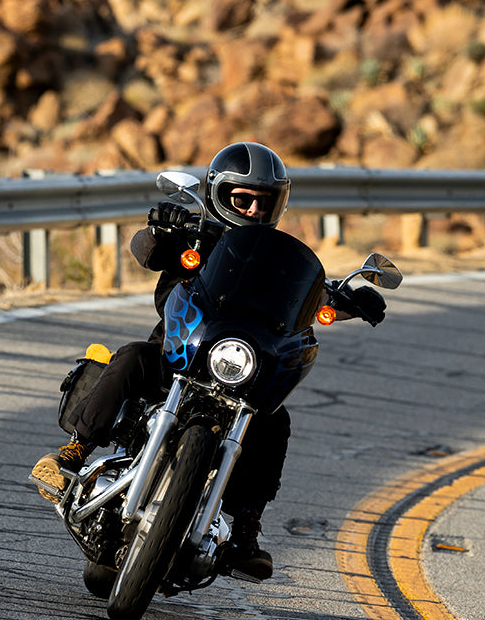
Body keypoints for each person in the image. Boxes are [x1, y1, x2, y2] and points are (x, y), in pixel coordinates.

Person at [31, 141, 300, 581]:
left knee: (275, 419)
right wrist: (161, 228)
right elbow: (146, 249)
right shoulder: (195, 235)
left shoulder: (279, 262)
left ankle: (246, 526)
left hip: (237, 375)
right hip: (176, 357)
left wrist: (346, 298)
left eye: (262, 201)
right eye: (242, 199)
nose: (252, 209)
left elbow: (309, 296)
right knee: (134, 354)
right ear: (219, 196)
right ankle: (72, 453)